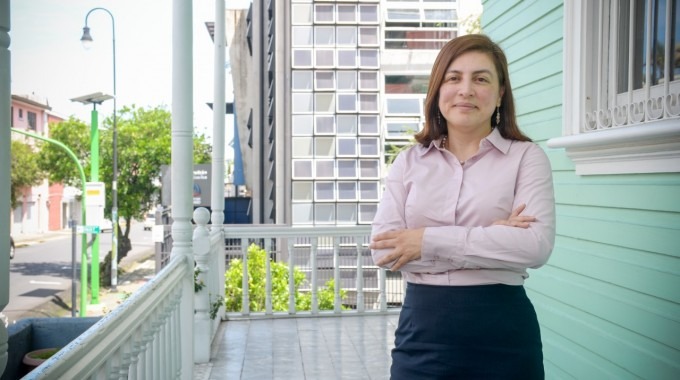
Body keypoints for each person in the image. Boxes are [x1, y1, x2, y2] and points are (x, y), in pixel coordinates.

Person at [370, 34, 556, 379]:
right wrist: (492, 238)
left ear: (500, 93)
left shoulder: (526, 158)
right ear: (438, 89)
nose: (466, 89)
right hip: (421, 332)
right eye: (454, 78)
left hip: (504, 335)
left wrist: (423, 241)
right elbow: (383, 249)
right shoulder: (409, 162)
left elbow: (534, 246)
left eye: (481, 79)